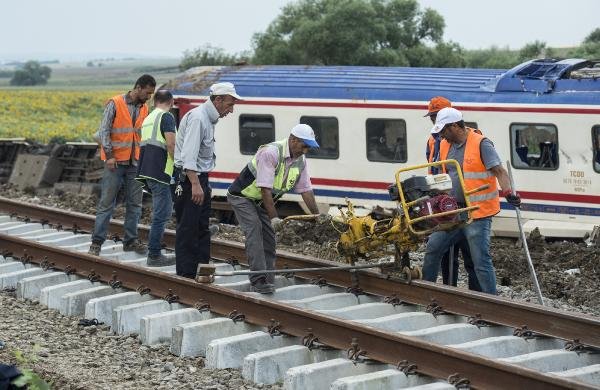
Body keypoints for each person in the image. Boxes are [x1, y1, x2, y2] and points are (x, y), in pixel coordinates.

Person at [422, 107, 521, 295]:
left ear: (454, 126)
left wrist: (509, 192)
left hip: (478, 213)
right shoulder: (444, 144)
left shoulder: (481, 144)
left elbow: (499, 171)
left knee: (480, 261)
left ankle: (492, 303)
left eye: (444, 130)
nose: (442, 135)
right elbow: (444, 175)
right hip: (452, 212)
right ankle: (426, 293)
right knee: (433, 248)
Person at [227, 124, 321, 293]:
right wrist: (274, 218)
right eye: (304, 145)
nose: (306, 150)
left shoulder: (300, 161)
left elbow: (306, 189)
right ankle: (258, 280)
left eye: (308, 147)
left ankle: (267, 279)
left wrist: (318, 215)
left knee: (269, 239)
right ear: (293, 140)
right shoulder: (270, 152)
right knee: (254, 230)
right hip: (242, 196)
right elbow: (265, 189)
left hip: (262, 202)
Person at [173, 82, 242, 278]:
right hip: (189, 180)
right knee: (188, 228)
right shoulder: (198, 119)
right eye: (229, 104)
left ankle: (201, 269)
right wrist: (195, 184)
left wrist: (202, 183)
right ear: (218, 100)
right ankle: (185, 275)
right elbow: (188, 157)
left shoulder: (209, 119)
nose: (231, 110)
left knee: (201, 227)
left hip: (199, 178)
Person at [88, 74, 156, 256]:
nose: (149, 97)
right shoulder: (115, 103)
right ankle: (96, 243)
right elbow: (104, 130)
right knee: (106, 203)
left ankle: (130, 241)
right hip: (115, 162)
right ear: (139, 88)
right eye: (148, 93)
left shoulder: (144, 108)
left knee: (135, 204)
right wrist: (109, 155)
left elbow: (141, 134)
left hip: (134, 162)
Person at [424, 97, 481, 291]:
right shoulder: (433, 140)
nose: (434, 120)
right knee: (445, 253)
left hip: (466, 204)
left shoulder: (471, 139)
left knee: (471, 255)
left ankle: (477, 295)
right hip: (442, 203)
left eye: (436, 116)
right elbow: (432, 168)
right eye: (432, 117)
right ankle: (449, 290)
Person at [135, 89, 177, 267]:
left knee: (163, 212)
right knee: (162, 214)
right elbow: (171, 144)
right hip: (161, 172)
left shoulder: (148, 118)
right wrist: (180, 166)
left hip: (147, 171)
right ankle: (154, 255)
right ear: (171, 102)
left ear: (154, 101)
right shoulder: (166, 117)